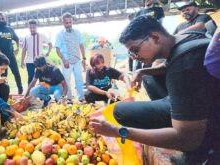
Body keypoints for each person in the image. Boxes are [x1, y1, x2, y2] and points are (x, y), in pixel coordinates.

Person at [90, 16, 220, 164]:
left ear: (154, 37)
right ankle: (177, 121)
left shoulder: (183, 67)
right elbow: (167, 66)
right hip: (204, 100)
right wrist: (143, 72)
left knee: (120, 112)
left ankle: (199, 153)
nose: (135, 57)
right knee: (148, 78)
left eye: (135, 50)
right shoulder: (187, 37)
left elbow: (188, 139)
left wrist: (118, 131)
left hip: (203, 129)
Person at [55, 12, 86, 102]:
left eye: (70, 22)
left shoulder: (77, 32)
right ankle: (69, 98)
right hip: (67, 61)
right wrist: (64, 60)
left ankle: (81, 98)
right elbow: (57, 49)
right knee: (67, 80)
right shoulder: (60, 34)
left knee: (79, 79)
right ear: (63, 23)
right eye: (66, 23)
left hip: (77, 60)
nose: (69, 25)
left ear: (72, 22)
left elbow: (81, 45)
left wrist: (84, 58)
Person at [21, 19, 52, 85]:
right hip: (29, 61)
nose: (32, 29)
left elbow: (50, 44)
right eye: (30, 27)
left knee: (42, 78)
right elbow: (24, 50)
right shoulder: (26, 37)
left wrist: (47, 53)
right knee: (31, 77)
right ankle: (30, 93)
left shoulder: (42, 35)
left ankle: (42, 93)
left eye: (34, 27)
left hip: (40, 61)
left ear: (37, 27)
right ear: (28, 27)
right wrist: (22, 61)